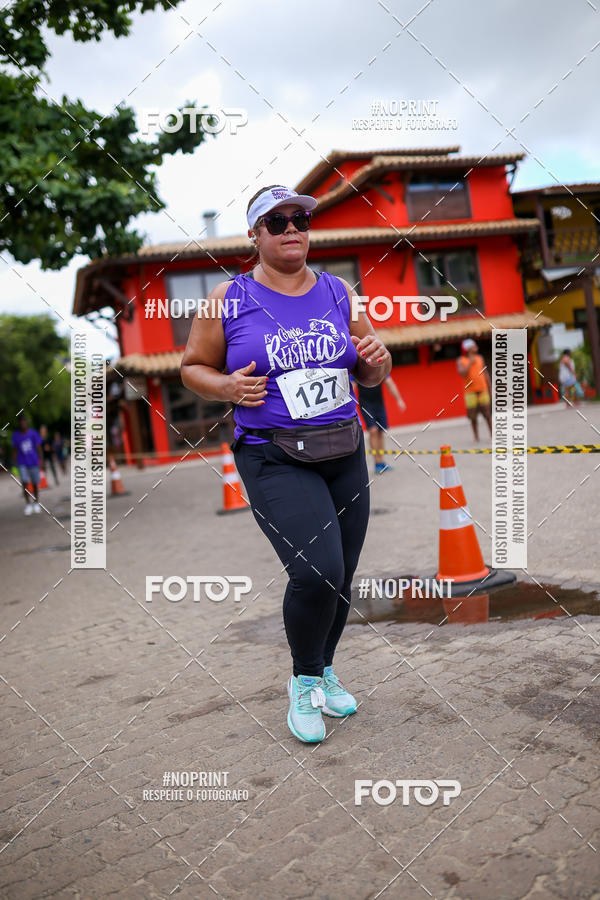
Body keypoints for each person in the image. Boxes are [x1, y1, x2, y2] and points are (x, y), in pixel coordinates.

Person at [181, 184, 392, 743]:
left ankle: (323, 670)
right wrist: (226, 386)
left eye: (300, 218)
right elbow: (191, 367)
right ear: (255, 235)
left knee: (341, 575)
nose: (292, 228)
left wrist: (379, 361)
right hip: (273, 455)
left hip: (343, 449)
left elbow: (369, 368)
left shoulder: (339, 291)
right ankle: (302, 682)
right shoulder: (227, 298)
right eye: (277, 221)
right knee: (316, 570)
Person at [354, 375, 406, 474]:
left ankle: (382, 461)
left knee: (381, 431)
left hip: (379, 404)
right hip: (365, 404)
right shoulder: (359, 370)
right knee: (373, 431)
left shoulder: (381, 369)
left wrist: (399, 399)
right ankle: (377, 462)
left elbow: (390, 383)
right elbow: (352, 387)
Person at [457, 339, 492, 441]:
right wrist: (469, 363)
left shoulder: (480, 358)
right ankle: (476, 437)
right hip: (470, 392)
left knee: (487, 414)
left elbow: (485, 373)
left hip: (483, 389)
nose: (476, 347)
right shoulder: (461, 360)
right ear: (468, 348)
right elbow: (462, 374)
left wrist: (490, 387)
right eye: (474, 346)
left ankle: (492, 434)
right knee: (473, 417)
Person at [12, 416, 43, 514]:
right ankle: (28, 504)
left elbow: (38, 447)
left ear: (26, 423)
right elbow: (15, 450)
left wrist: (41, 460)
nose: (23, 424)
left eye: (24, 422)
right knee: (24, 482)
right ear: (19, 424)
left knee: (35, 484)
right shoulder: (16, 435)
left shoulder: (33, 433)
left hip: (33, 461)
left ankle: (36, 503)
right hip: (22, 463)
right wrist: (13, 463)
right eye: (21, 423)